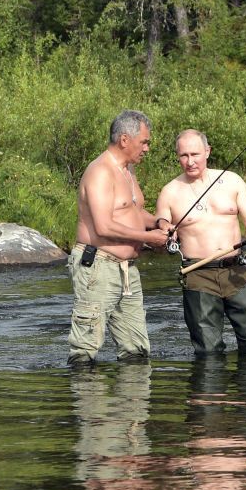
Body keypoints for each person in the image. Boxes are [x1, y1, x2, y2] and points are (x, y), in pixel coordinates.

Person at [67, 110, 172, 364]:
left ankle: (132, 403)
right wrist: (149, 239)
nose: (147, 148)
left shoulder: (128, 170)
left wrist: (159, 223)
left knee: (136, 349)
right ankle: (89, 400)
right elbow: (104, 226)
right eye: (144, 142)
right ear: (125, 140)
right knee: (85, 349)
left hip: (127, 271)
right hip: (98, 267)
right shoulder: (100, 171)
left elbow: (133, 211)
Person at [155, 129, 246, 355]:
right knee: (208, 351)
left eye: (195, 154)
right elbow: (162, 223)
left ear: (207, 151)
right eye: (183, 156)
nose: (190, 161)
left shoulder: (232, 181)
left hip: (237, 271)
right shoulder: (169, 192)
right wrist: (167, 230)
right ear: (177, 156)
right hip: (198, 274)